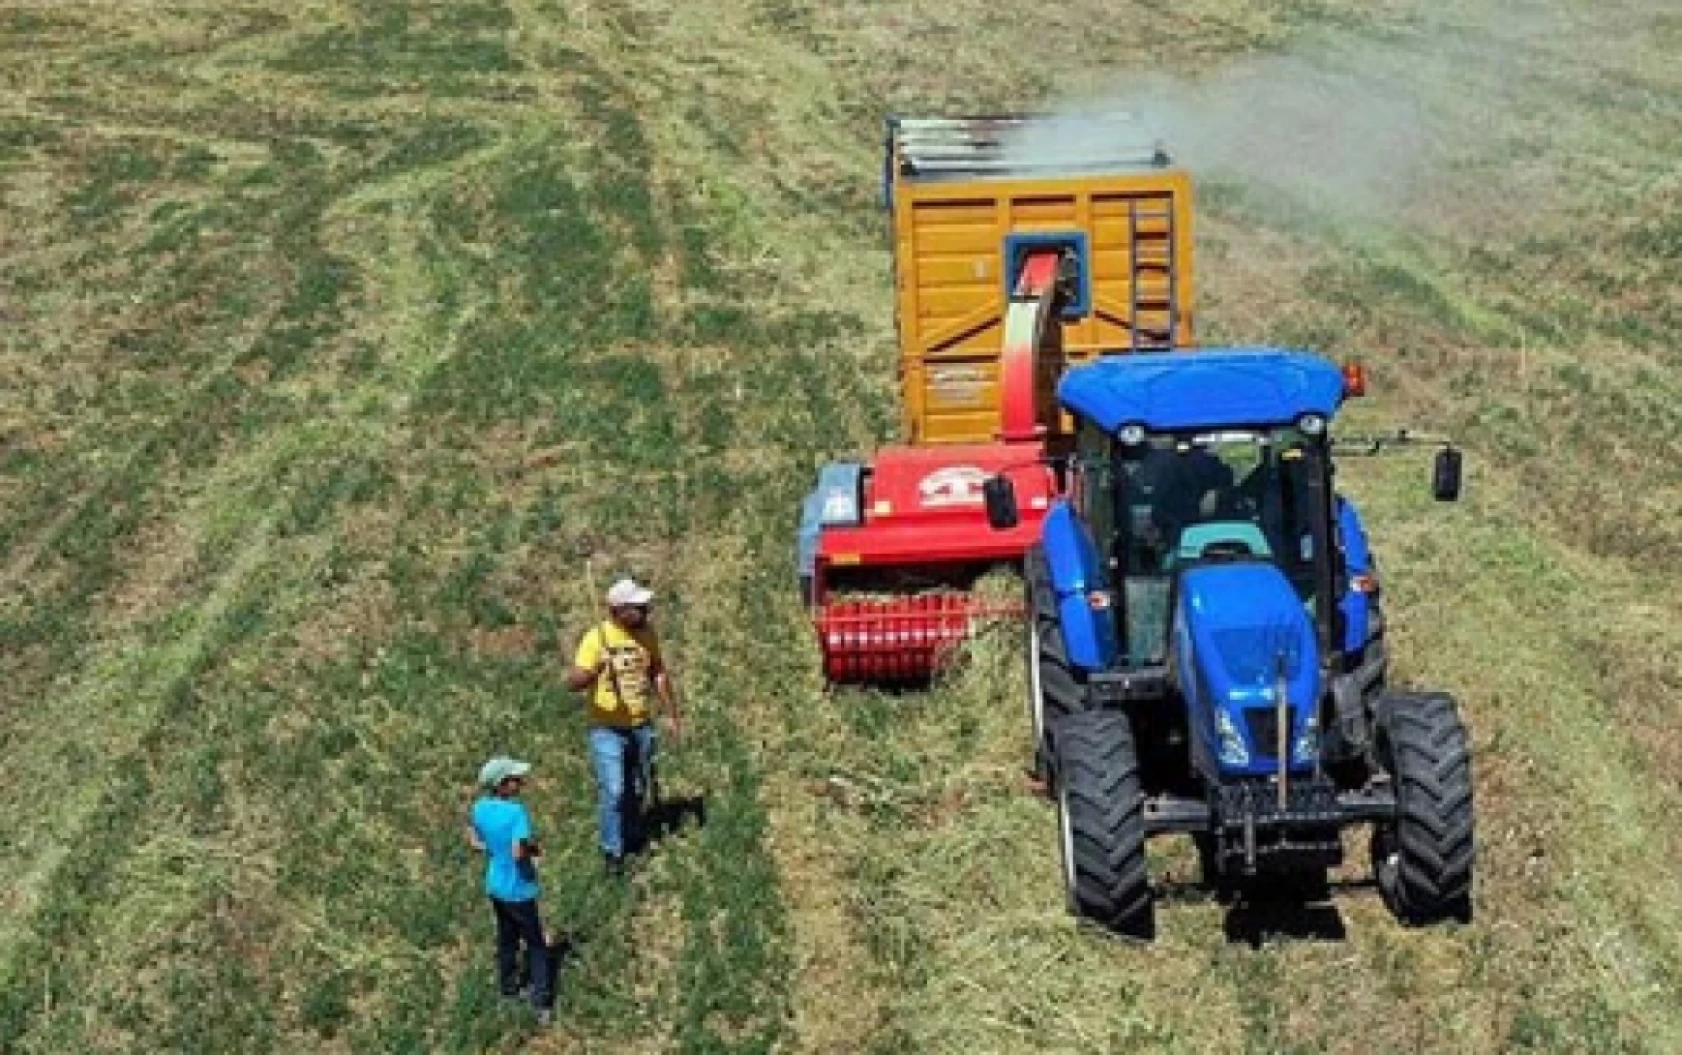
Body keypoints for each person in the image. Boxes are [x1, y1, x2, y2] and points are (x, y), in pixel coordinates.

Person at [565, 577, 684, 877]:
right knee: (615, 790)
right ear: (619, 610)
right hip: (606, 728)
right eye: (638, 606)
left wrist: (671, 714)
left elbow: (657, 670)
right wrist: (595, 670)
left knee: (636, 786)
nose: (646, 610)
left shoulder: (647, 634)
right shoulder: (596, 639)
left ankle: (632, 837)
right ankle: (612, 852)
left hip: (641, 723)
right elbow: (573, 682)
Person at [466, 756, 554, 1025]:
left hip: (495, 885)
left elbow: (473, 839)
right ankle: (541, 1002)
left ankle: (507, 991)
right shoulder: (516, 813)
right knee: (537, 945)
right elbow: (518, 852)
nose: (521, 782)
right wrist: (533, 850)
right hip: (519, 888)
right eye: (515, 779)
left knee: (506, 939)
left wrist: (493, 849)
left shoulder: (479, 808)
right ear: (503, 785)